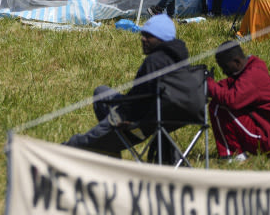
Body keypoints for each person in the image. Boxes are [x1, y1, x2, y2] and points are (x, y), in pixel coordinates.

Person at [64, 14, 189, 162]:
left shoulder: (154, 62)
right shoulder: (181, 59)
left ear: (161, 39)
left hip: (140, 119)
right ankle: (110, 147)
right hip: (165, 114)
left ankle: (87, 146)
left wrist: (118, 115)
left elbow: (135, 103)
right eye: (143, 34)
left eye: (149, 36)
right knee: (102, 92)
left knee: (103, 107)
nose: (143, 39)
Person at [206, 40, 270, 161]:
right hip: (265, 132)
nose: (224, 72)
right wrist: (211, 83)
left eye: (225, 67)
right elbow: (228, 85)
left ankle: (232, 155)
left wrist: (209, 85)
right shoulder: (249, 69)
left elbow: (231, 100)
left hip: (266, 138)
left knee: (219, 106)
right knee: (218, 101)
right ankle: (235, 152)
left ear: (236, 61)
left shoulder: (253, 75)